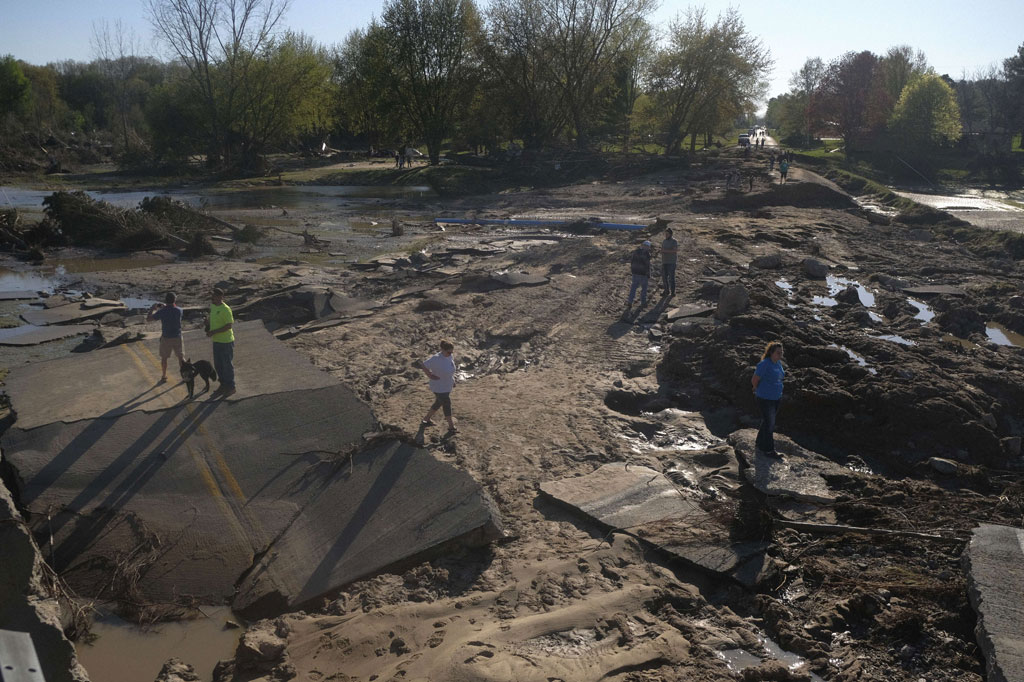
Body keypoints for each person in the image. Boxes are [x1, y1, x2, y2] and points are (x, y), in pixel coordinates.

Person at [751, 341, 785, 459]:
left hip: (776, 398)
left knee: (767, 421)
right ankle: (769, 450)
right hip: (765, 398)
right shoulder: (764, 364)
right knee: (770, 424)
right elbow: (754, 380)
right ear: (771, 353)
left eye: (781, 353)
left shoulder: (778, 363)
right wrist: (756, 389)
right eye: (778, 353)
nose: (780, 355)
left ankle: (759, 443)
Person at [419, 340, 457, 434]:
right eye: (448, 352)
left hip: (447, 385)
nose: (450, 354)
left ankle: (426, 419)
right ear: (442, 350)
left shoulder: (449, 356)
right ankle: (451, 426)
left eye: (451, 352)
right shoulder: (436, 358)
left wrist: (452, 380)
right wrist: (429, 375)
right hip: (438, 386)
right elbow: (423, 365)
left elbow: (451, 368)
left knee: (439, 402)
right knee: (446, 404)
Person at [147, 292, 185, 383]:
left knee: (164, 358)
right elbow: (174, 308)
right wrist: (166, 306)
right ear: (174, 300)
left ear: (165, 300)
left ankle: (164, 375)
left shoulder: (162, 312)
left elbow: (149, 319)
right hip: (177, 336)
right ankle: (184, 375)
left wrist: (152, 308)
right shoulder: (179, 310)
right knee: (181, 357)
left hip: (166, 337)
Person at [207, 287, 236, 396]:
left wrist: (214, 332)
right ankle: (223, 385)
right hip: (217, 341)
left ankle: (231, 387)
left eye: (214, 296)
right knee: (218, 365)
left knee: (227, 365)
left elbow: (229, 325)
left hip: (226, 341)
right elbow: (212, 319)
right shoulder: (213, 306)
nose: (213, 298)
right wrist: (207, 323)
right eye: (212, 296)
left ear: (220, 297)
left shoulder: (226, 309)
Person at [625, 240, 652, 312]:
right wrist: (648, 274)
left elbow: (632, 261)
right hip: (643, 273)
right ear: (648, 247)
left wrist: (632, 270)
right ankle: (643, 302)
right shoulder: (647, 254)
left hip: (635, 272)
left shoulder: (636, 252)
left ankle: (630, 301)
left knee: (633, 288)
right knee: (644, 288)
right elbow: (647, 265)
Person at [660, 230, 678, 297]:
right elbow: (662, 249)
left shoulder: (674, 241)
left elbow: (675, 250)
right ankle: (666, 291)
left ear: (670, 234)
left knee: (671, 278)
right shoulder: (664, 241)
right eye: (665, 234)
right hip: (664, 261)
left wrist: (665, 251)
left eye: (667, 234)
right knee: (664, 278)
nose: (666, 235)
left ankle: (673, 292)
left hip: (671, 262)